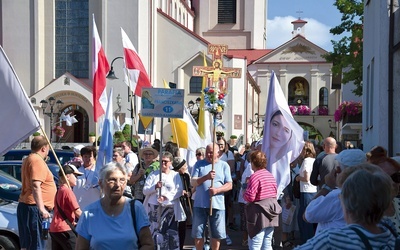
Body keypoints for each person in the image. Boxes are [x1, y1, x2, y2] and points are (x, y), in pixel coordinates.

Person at [296, 166, 397, 249]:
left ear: (347, 202)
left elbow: (308, 215)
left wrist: (327, 187)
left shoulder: (332, 240)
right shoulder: (391, 235)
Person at [75, 162, 154, 249]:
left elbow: (148, 245)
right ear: (101, 183)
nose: (118, 185)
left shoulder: (135, 208)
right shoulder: (89, 213)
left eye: (122, 180)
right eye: (112, 180)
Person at [304, 149, 367, 234]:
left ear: (339, 170)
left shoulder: (337, 196)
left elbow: (307, 216)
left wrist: (327, 187)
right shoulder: (371, 192)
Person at [17, 135, 57, 250]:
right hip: (34, 209)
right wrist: (42, 209)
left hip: (30, 207)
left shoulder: (29, 159)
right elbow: (36, 185)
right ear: (44, 148)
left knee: (31, 245)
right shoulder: (36, 160)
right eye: (48, 148)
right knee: (36, 245)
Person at [191, 143, 232, 250]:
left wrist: (217, 190)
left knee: (216, 234)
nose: (208, 154)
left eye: (211, 152)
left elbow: (229, 184)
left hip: (217, 205)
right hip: (200, 204)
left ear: (218, 153)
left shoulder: (224, 165)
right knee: (198, 233)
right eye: (207, 152)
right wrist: (206, 177)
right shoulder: (199, 164)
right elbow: (193, 182)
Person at [142, 151, 184, 250]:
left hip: (170, 208)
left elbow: (179, 190)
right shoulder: (153, 174)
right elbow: (145, 190)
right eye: (161, 161)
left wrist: (166, 197)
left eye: (166, 161)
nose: (163, 163)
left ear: (170, 163)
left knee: (169, 232)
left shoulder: (175, 175)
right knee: (155, 231)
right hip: (154, 208)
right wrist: (155, 186)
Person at [244, 150, 282, 250]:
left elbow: (250, 196)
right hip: (271, 213)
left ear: (253, 162)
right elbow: (274, 192)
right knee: (267, 243)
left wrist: (245, 189)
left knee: (255, 244)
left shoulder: (254, 176)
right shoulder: (270, 175)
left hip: (259, 214)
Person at [50, 164, 83, 250]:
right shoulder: (67, 191)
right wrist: (89, 220)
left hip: (55, 229)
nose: (77, 178)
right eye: (75, 176)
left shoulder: (60, 190)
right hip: (64, 228)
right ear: (67, 176)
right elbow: (77, 212)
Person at [294, 141, 317, 244]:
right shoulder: (314, 160)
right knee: (308, 216)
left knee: (304, 218)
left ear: (305, 150)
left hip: (307, 191)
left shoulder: (307, 161)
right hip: (313, 191)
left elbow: (307, 178)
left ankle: (307, 241)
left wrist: (298, 178)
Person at [172, 157, 192, 250]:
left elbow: (189, 189)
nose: (186, 166)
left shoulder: (186, 176)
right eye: (184, 165)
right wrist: (180, 191)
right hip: (174, 203)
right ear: (179, 167)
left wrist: (189, 193)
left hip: (183, 203)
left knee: (182, 226)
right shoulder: (172, 175)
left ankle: (181, 246)